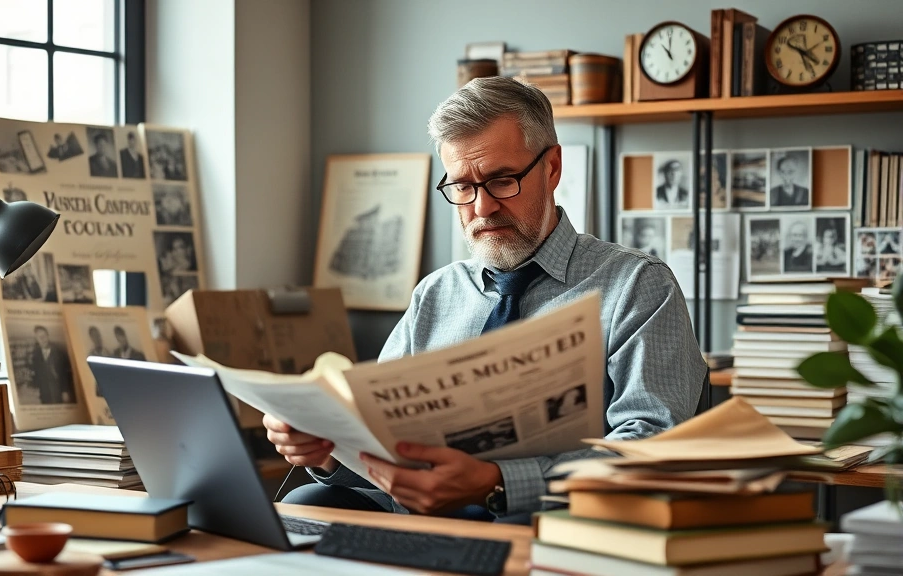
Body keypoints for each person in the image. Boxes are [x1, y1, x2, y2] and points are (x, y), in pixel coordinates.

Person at [267, 77, 706, 523]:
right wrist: (323, 447)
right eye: (462, 187)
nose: (481, 208)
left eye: (501, 180)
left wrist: (499, 481)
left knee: (513, 522)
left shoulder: (636, 285)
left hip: (549, 514)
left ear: (552, 168)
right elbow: (379, 433)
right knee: (304, 506)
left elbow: (652, 443)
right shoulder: (436, 294)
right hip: (418, 511)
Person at [28, 325, 75, 404]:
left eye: (44, 336)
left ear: (48, 336)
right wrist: (35, 387)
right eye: (39, 337)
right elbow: (36, 373)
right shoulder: (35, 354)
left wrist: (65, 391)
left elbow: (64, 373)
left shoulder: (59, 351)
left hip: (58, 389)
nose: (43, 339)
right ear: (37, 339)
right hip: (44, 391)